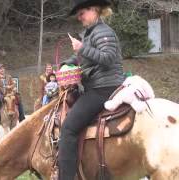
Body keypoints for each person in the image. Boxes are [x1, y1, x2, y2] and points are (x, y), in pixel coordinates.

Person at [57, 0, 125, 179]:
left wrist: (82, 47)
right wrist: (65, 64)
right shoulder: (90, 33)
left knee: (68, 128)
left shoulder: (103, 31)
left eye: (82, 13)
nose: (79, 17)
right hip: (97, 86)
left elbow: (108, 58)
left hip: (104, 87)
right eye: (78, 15)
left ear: (94, 9)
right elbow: (80, 57)